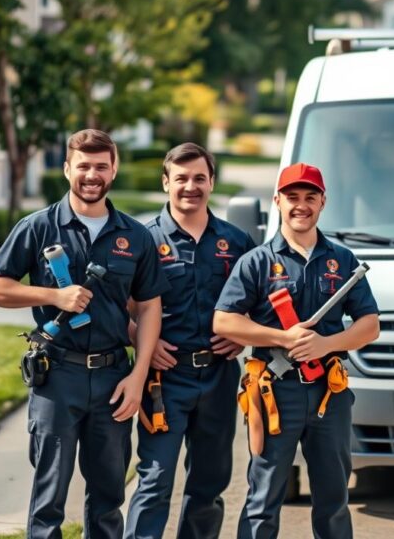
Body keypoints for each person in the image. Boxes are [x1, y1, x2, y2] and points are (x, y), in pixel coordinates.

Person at [0, 129, 169, 539]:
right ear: (67, 169)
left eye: (101, 166)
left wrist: (138, 377)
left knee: (108, 499)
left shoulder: (135, 236)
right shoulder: (39, 227)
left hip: (113, 377)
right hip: (57, 378)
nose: (92, 175)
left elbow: (150, 307)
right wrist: (54, 295)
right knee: (49, 499)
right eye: (83, 166)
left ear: (113, 170)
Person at [213, 162, 380, 539]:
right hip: (274, 393)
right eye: (292, 197)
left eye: (310, 197)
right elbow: (224, 321)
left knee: (334, 499)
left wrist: (326, 343)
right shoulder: (256, 262)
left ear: (323, 202)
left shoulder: (343, 261)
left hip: (330, 395)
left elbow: (370, 325)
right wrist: (284, 338)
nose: (300, 205)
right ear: (277, 201)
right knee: (263, 498)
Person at [125, 143, 257, 539]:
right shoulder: (141, 239)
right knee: (155, 479)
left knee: (209, 484)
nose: (190, 186)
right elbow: (115, 305)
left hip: (218, 377)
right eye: (180, 178)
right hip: (165, 380)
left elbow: (261, 299)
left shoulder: (236, 242)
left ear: (212, 182)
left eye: (199, 178)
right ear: (166, 182)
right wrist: (140, 340)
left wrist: (243, 331)